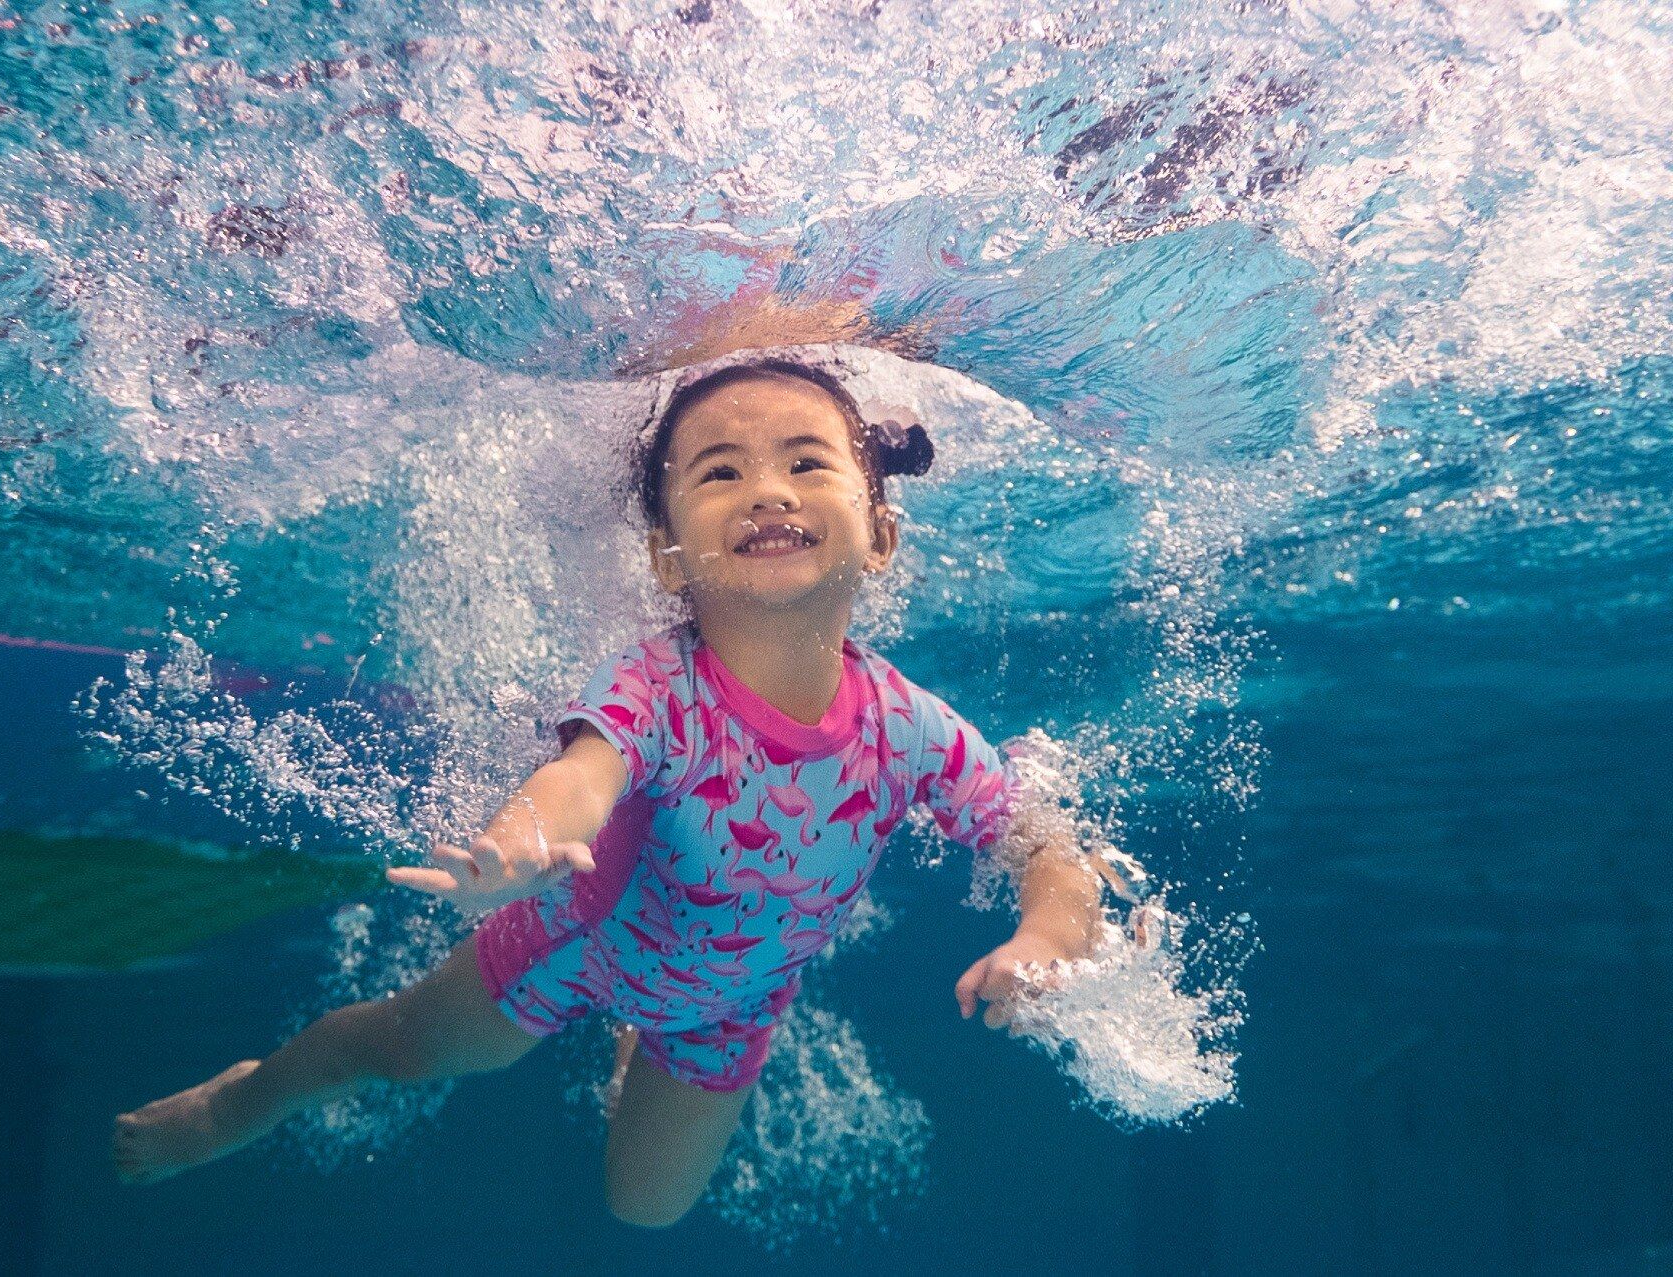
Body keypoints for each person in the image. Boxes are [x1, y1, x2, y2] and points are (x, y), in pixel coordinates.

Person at [113, 351, 1109, 1227]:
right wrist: (519, 843)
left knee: (644, 1206)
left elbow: (1045, 847)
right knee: (397, 1047)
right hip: (575, 946)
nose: (769, 491)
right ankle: (244, 1098)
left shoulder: (910, 727)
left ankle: (644, 1036)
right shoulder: (659, 687)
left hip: (735, 1003)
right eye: (722, 472)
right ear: (668, 555)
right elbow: (581, 777)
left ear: (880, 534)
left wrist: (1046, 939)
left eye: (807, 463)